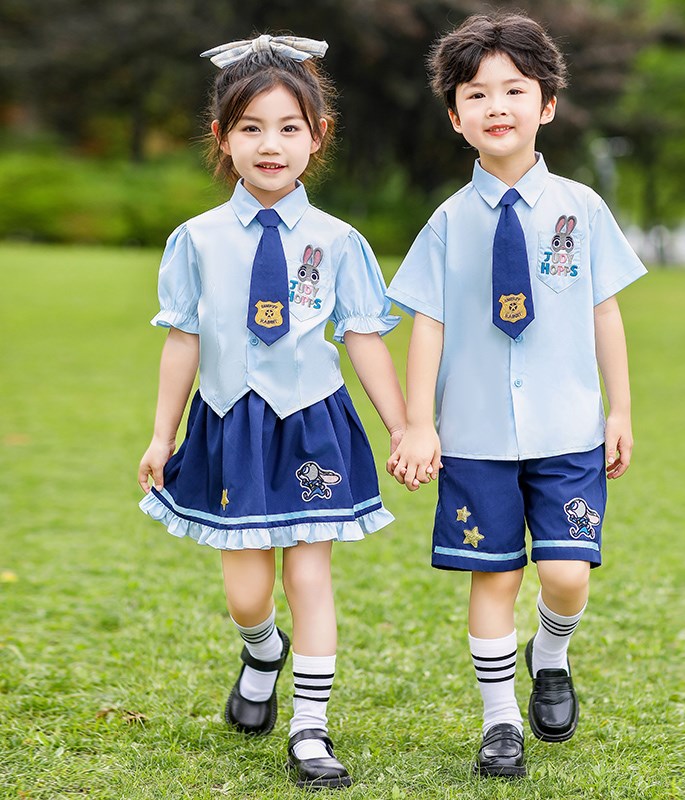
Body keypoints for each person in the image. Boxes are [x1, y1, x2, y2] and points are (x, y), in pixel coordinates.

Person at [137, 31, 405, 790]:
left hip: (312, 423)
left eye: (289, 127)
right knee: (247, 594)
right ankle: (262, 652)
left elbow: (363, 338)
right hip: (229, 424)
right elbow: (182, 340)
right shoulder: (194, 241)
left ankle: (310, 729)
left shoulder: (339, 241)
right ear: (222, 137)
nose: (270, 145)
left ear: (317, 136)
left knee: (309, 577)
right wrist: (161, 435)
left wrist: (405, 427)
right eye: (251, 127)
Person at [386, 11, 647, 778]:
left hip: (569, 428)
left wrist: (620, 409)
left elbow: (605, 313)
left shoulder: (582, 210)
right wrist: (419, 423)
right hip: (475, 435)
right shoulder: (446, 222)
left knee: (566, 574)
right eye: (476, 93)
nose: (496, 105)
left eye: (514, 89)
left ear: (548, 104)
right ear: (455, 116)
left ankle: (552, 654)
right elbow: (428, 325)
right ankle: (500, 722)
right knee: (494, 575)